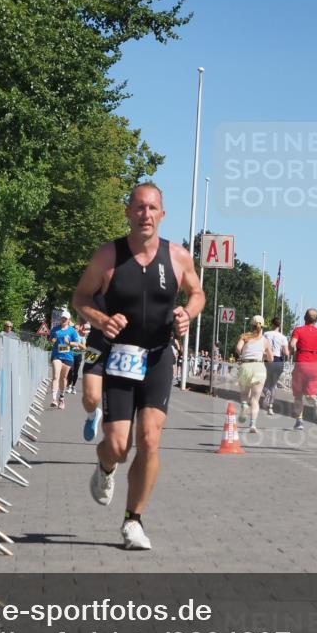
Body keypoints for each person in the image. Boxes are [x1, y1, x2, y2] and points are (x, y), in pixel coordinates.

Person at [72, 182, 205, 550]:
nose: (146, 214)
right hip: (119, 356)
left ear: (162, 214)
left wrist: (187, 314)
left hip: (158, 356)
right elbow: (80, 297)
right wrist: (102, 320)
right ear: (128, 212)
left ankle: (133, 521)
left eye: (152, 208)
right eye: (139, 207)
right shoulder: (108, 256)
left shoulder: (178, 256)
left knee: (149, 439)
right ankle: (105, 467)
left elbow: (197, 293)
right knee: (118, 446)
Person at [289, 309, 317, 430]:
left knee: (298, 395)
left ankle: (299, 422)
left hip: (301, 364)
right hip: (315, 366)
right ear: (316, 320)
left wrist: (293, 353)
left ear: (304, 318)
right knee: (310, 394)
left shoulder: (298, 330)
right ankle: (314, 399)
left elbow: (292, 344)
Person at [234, 315, 272, 433]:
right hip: (259, 367)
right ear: (262, 327)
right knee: (255, 400)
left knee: (245, 395)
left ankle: (244, 405)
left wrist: (243, 355)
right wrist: (263, 355)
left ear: (251, 325)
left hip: (246, 366)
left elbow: (238, 348)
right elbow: (271, 358)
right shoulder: (265, 341)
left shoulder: (244, 336)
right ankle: (253, 425)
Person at [79, 295, 109, 442]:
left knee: (114, 403)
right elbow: (82, 299)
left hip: (122, 351)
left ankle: (112, 442)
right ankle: (92, 415)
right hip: (94, 347)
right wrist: (82, 320)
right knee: (90, 397)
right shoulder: (97, 284)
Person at [48, 310, 83, 409]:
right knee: (56, 376)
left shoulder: (72, 331)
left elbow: (77, 344)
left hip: (68, 357)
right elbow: (50, 339)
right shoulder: (55, 329)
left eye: (65, 318)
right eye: (62, 318)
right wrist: (52, 340)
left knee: (63, 378)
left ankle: (62, 398)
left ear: (68, 320)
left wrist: (69, 343)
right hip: (57, 355)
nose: (63, 320)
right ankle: (54, 399)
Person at [261, 317, 290, 415]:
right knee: (273, 385)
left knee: (264, 384)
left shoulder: (266, 334)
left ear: (272, 324)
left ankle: (267, 393)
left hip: (268, 359)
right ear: (280, 325)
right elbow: (286, 353)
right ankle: (271, 408)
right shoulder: (283, 337)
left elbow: (262, 347)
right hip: (278, 361)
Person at [66, 320, 89, 395]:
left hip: (78, 355)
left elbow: (84, 347)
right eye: (74, 328)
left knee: (76, 371)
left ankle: (73, 386)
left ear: (79, 329)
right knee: (71, 370)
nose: (75, 330)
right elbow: (66, 345)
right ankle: (69, 386)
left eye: (76, 328)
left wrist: (78, 345)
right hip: (70, 355)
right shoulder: (70, 336)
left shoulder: (82, 337)